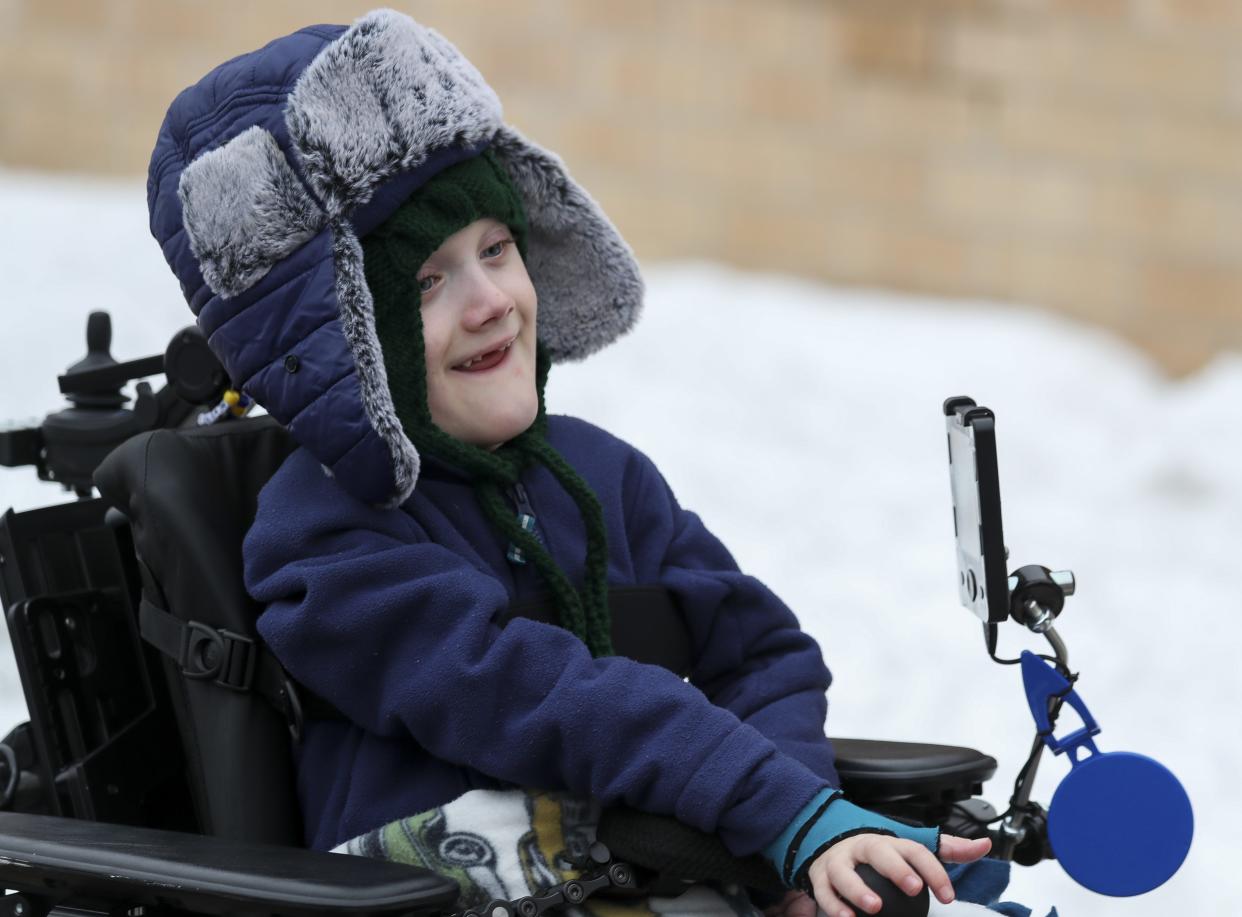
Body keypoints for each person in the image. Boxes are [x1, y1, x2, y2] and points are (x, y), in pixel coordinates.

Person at [147, 10, 1024, 917]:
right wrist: (778, 816)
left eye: (496, 249)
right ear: (344, 342)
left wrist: (802, 837)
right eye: (427, 280)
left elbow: (762, 646)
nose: (490, 302)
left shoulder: (602, 476)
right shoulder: (323, 536)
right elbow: (545, 696)